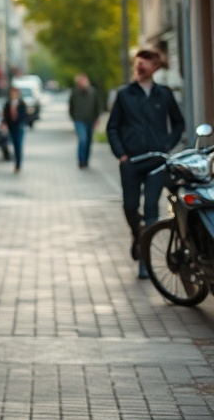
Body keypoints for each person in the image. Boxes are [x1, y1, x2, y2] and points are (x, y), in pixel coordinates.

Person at [106, 49, 185, 279]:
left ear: (154, 67)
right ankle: (137, 234)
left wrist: (166, 147)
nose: (139, 67)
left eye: (145, 64)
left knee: (151, 207)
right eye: (138, 63)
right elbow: (112, 128)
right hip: (131, 161)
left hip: (156, 162)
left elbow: (178, 124)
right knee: (130, 206)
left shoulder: (164, 94)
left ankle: (145, 261)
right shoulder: (125, 95)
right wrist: (121, 155)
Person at [69, 73, 104, 168]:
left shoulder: (93, 92)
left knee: (88, 141)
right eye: (80, 82)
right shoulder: (75, 92)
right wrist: (73, 117)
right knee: (82, 140)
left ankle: (86, 160)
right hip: (79, 120)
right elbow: (71, 106)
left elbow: (98, 106)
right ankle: (81, 160)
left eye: (83, 81)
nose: (82, 83)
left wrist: (97, 119)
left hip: (90, 120)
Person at [1, 85, 28, 172]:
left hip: (19, 127)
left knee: (18, 146)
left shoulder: (22, 103)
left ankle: (18, 164)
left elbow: (24, 116)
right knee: (12, 144)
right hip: (11, 127)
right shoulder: (8, 103)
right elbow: (5, 115)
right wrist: (4, 123)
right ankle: (12, 160)